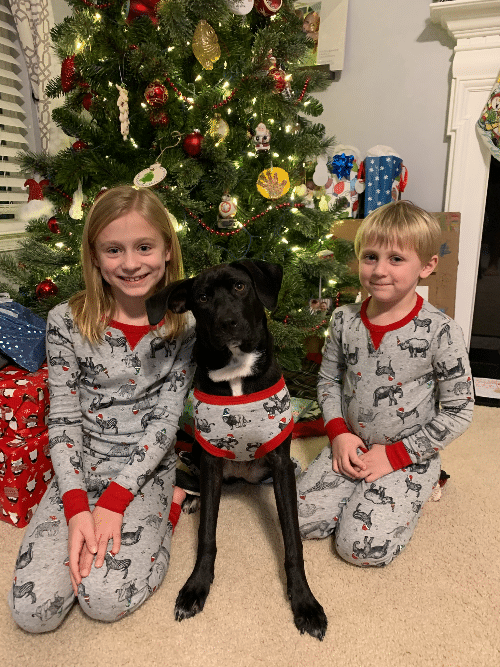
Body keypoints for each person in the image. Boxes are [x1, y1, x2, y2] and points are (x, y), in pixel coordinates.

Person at [9, 185, 196, 631]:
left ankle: (169, 509)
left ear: (168, 251)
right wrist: (76, 508)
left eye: (144, 247)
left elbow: (167, 421)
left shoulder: (185, 324)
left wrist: (113, 504)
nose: (130, 264)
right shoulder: (65, 321)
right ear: (95, 256)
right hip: (79, 467)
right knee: (33, 613)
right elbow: (64, 420)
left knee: (104, 600)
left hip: (145, 470)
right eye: (114, 250)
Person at [297, 200, 474, 566]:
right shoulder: (344, 319)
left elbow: (459, 410)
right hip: (350, 444)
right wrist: (338, 433)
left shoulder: (441, 331)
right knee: (298, 520)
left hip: (407, 454)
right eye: (370, 256)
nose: (379, 270)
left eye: (396, 259)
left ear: (426, 266)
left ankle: (428, 481)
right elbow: (329, 379)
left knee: (359, 550)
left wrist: (396, 456)